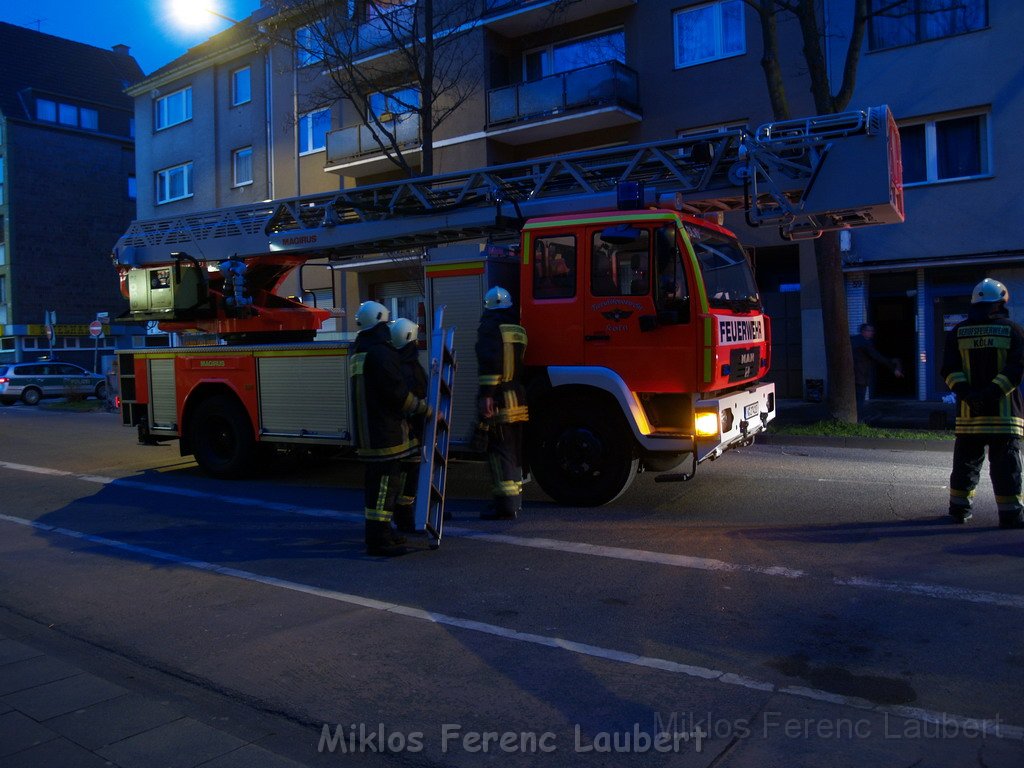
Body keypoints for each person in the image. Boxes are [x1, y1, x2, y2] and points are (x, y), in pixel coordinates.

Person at [940, 278, 1024, 529]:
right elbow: (1016, 370)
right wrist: (991, 393)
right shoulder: (1013, 330)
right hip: (1004, 416)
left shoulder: (958, 331)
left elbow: (948, 370)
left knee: (965, 465)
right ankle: (1010, 516)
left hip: (969, 416)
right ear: (1000, 303)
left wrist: (969, 395)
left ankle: (959, 510)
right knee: (1006, 467)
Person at [350, 301, 431, 555]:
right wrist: (424, 409)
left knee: (377, 486)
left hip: (368, 433)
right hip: (384, 433)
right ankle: (379, 539)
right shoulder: (380, 353)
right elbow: (397, 394)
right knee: (385, 485)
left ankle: (381, 533)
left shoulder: (359, 351)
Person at [475, 286, 529, 520]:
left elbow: (491, 363)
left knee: (499, 451)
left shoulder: (490, 329)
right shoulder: (518, 330)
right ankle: (515, 501)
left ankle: (504, 506)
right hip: (518, 397)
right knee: (514, 451)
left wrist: (487, 394)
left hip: (499, 399)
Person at [389, 317, 429, 534]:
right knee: (410, 475)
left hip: (408, 431)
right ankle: (404, 517)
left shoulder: (401, 363)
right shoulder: (409, 367)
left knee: (410, 474)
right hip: (411, 432)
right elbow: (412, 400)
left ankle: (410, 513)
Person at [850, 323, 903, 423]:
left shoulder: (854, 341)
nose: (872, 333)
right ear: (863, 331)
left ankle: (854, 419)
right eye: (870, 331)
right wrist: (893, 366)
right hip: (860, 375)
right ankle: (858, 421)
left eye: (872, 331)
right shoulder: (864, 343)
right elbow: (877, 357)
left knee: (856, 399)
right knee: (860, 400)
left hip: (853, 376)